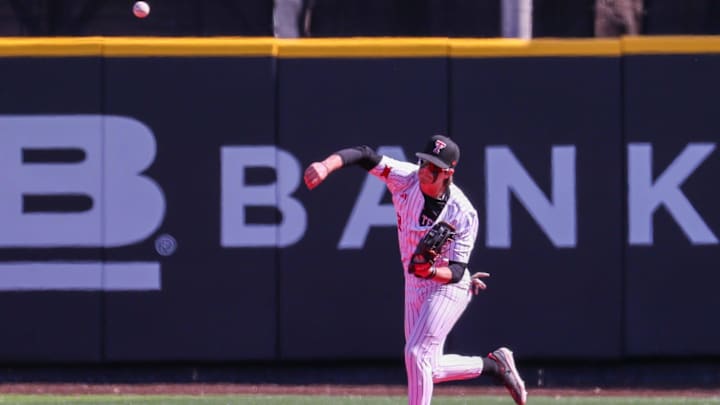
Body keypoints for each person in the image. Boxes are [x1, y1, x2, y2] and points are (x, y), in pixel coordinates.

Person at [303, 135, 527, 405]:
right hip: (414, 281)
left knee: (416, 355)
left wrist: (430, 271)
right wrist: (326, 166)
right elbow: (363, 154)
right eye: (423, 163)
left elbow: (456, 271)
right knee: (425, 366)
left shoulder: (463, 212)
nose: (423, 171)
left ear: (448, 173)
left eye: (432, 167)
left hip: (447, 286)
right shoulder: (405, 178)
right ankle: (495, 366)